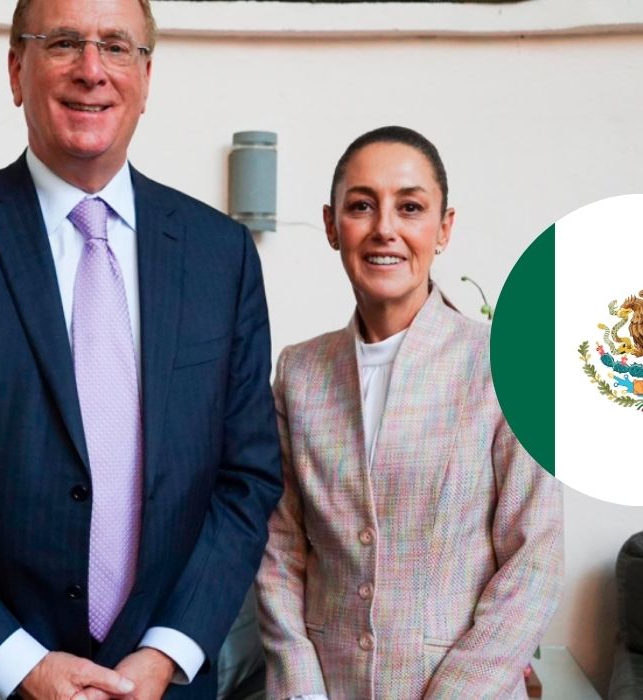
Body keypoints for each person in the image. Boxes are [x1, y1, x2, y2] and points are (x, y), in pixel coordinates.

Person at [0, 0, 282, 696]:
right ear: (17, 69)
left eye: (116, 46)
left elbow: (247, 477)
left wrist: (166, 653)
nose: (91, 70)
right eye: (64, 42)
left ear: (146, 77)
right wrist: (21, 665)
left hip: (159, 684)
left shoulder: (220, 255)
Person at [255, 126, 563, 700]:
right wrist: (301, 689)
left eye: (411, 207)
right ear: (331, 225)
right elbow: (279, 549)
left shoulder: (508, 365)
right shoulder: (298, 373)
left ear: (443, 228)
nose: (384, 229)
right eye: (361, 206)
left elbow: (534, 559)